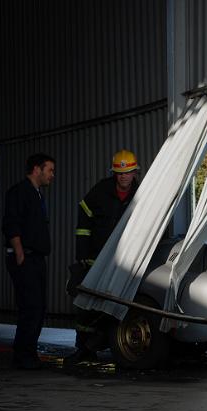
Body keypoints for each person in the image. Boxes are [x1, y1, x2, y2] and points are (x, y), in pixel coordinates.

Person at [69, 149, 140, 363]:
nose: (124, 177)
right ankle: (83, 348)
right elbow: (84, 219)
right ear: (114, 174)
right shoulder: (100, 191)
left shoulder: (142, 194)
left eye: (127, 173)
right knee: (86, 306)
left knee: (117, 305)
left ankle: (114, 346)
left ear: (134, 172)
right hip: (95, 259)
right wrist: (82, 253)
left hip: (125, 262)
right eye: (120, 173)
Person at [1, 154, 55, 370]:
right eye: (49, 170)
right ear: (37, 169)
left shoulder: (38, 194)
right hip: (25, 258)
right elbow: (11, 222)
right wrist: (20, 252)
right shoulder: (19, 192)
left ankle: (29, 353)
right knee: (29, 307)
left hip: (37, 258)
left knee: (38, 308)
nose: (52, 174)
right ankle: (22, 356)